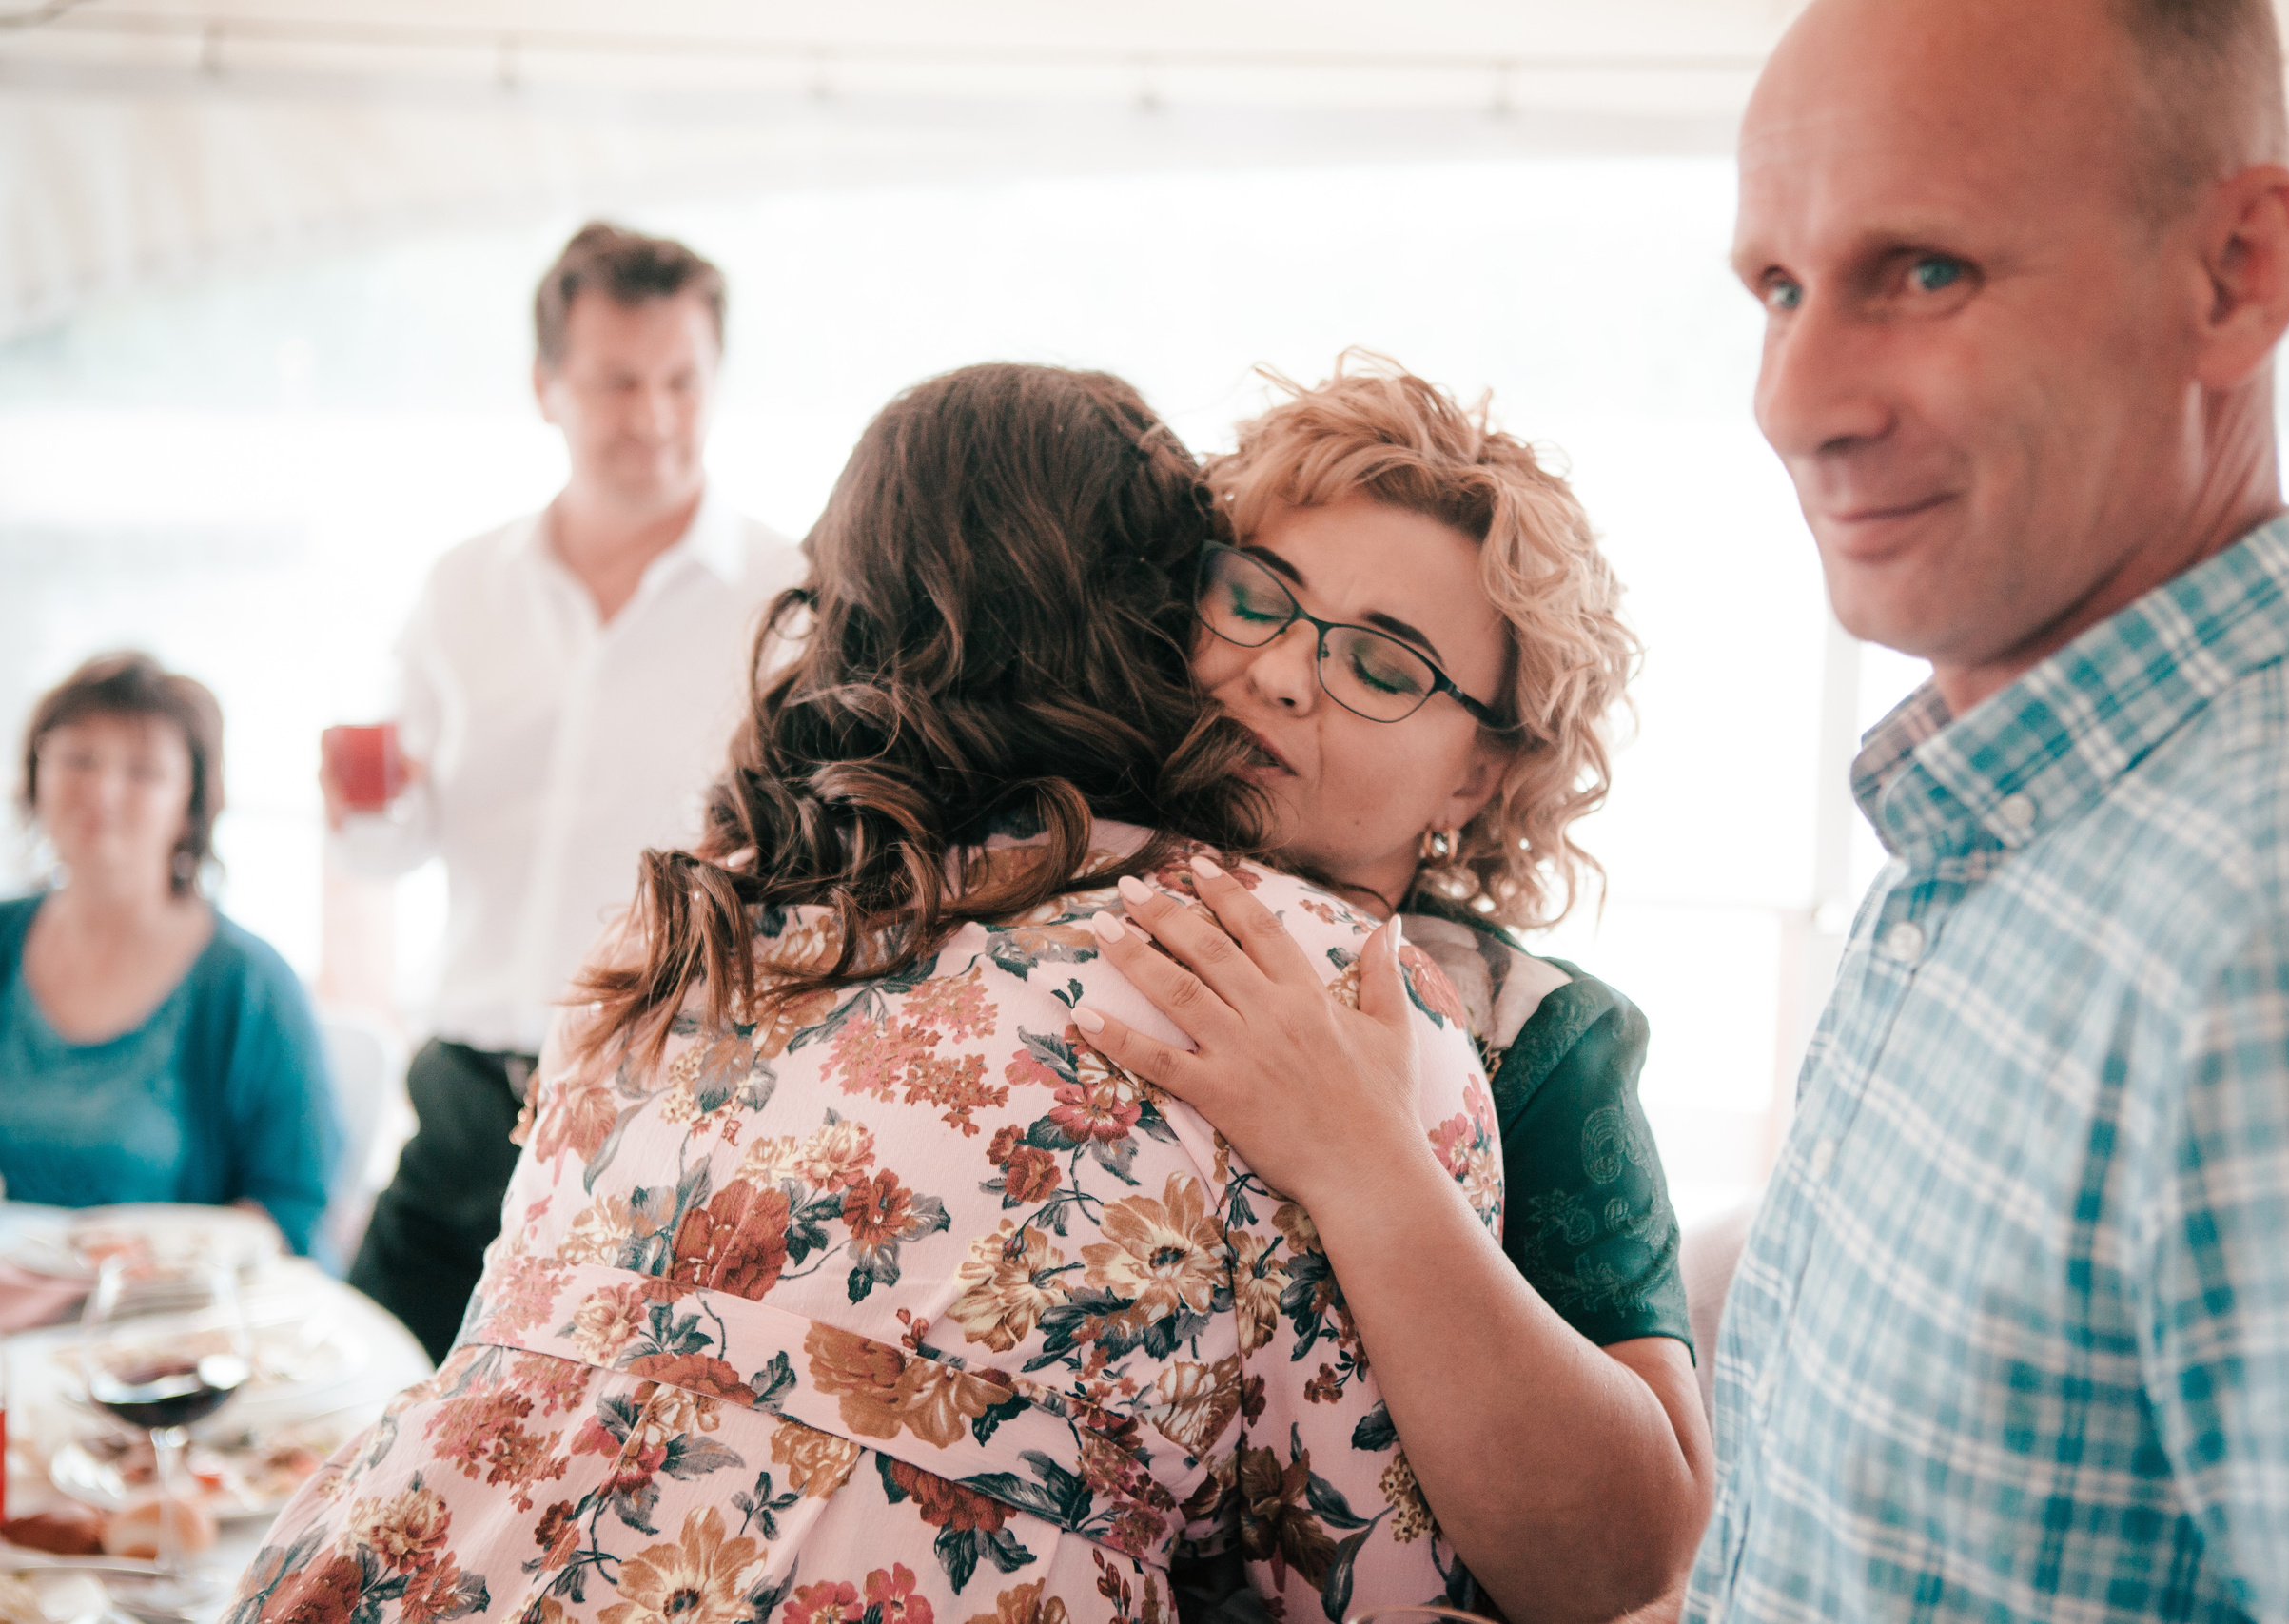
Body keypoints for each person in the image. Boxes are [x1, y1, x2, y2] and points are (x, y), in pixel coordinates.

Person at [231, 363, 1504, 1624]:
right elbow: (1385, 1585)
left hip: (393, 1556)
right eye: (1245, 598)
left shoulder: (677, 933)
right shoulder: (1303, 974)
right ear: (1160, 625)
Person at [1677, 0, 2289, 1618]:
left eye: (1925, 271)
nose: (1794, 401)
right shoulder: (1995, 818)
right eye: (1780, 287)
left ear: (2236, 275)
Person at [1068, 358, 1712, 1622]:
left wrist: (1362, 1154)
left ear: (1475, 776)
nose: (1284, 673)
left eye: (1382, 665)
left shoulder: (1535, 1034)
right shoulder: (1009, 892)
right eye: (1254, 599)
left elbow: (1636, 1555)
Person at [332, 222, 799, 1359]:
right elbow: (391, 850)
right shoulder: (461, 589)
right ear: (547, 387)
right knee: (353, 1401)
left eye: (682, 380)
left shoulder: (788, 601)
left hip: (662, 1105)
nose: (653, 415)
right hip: (465, 1095)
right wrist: (367, 806)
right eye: (617, 381)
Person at [1, 653, 335, 1256]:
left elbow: (292, 1216)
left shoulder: (249, 985)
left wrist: (148, 1258)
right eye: (78, 759)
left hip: (154, 1324)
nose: (101, 791)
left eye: (143, 771)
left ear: (191, 803)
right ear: (33, 774)